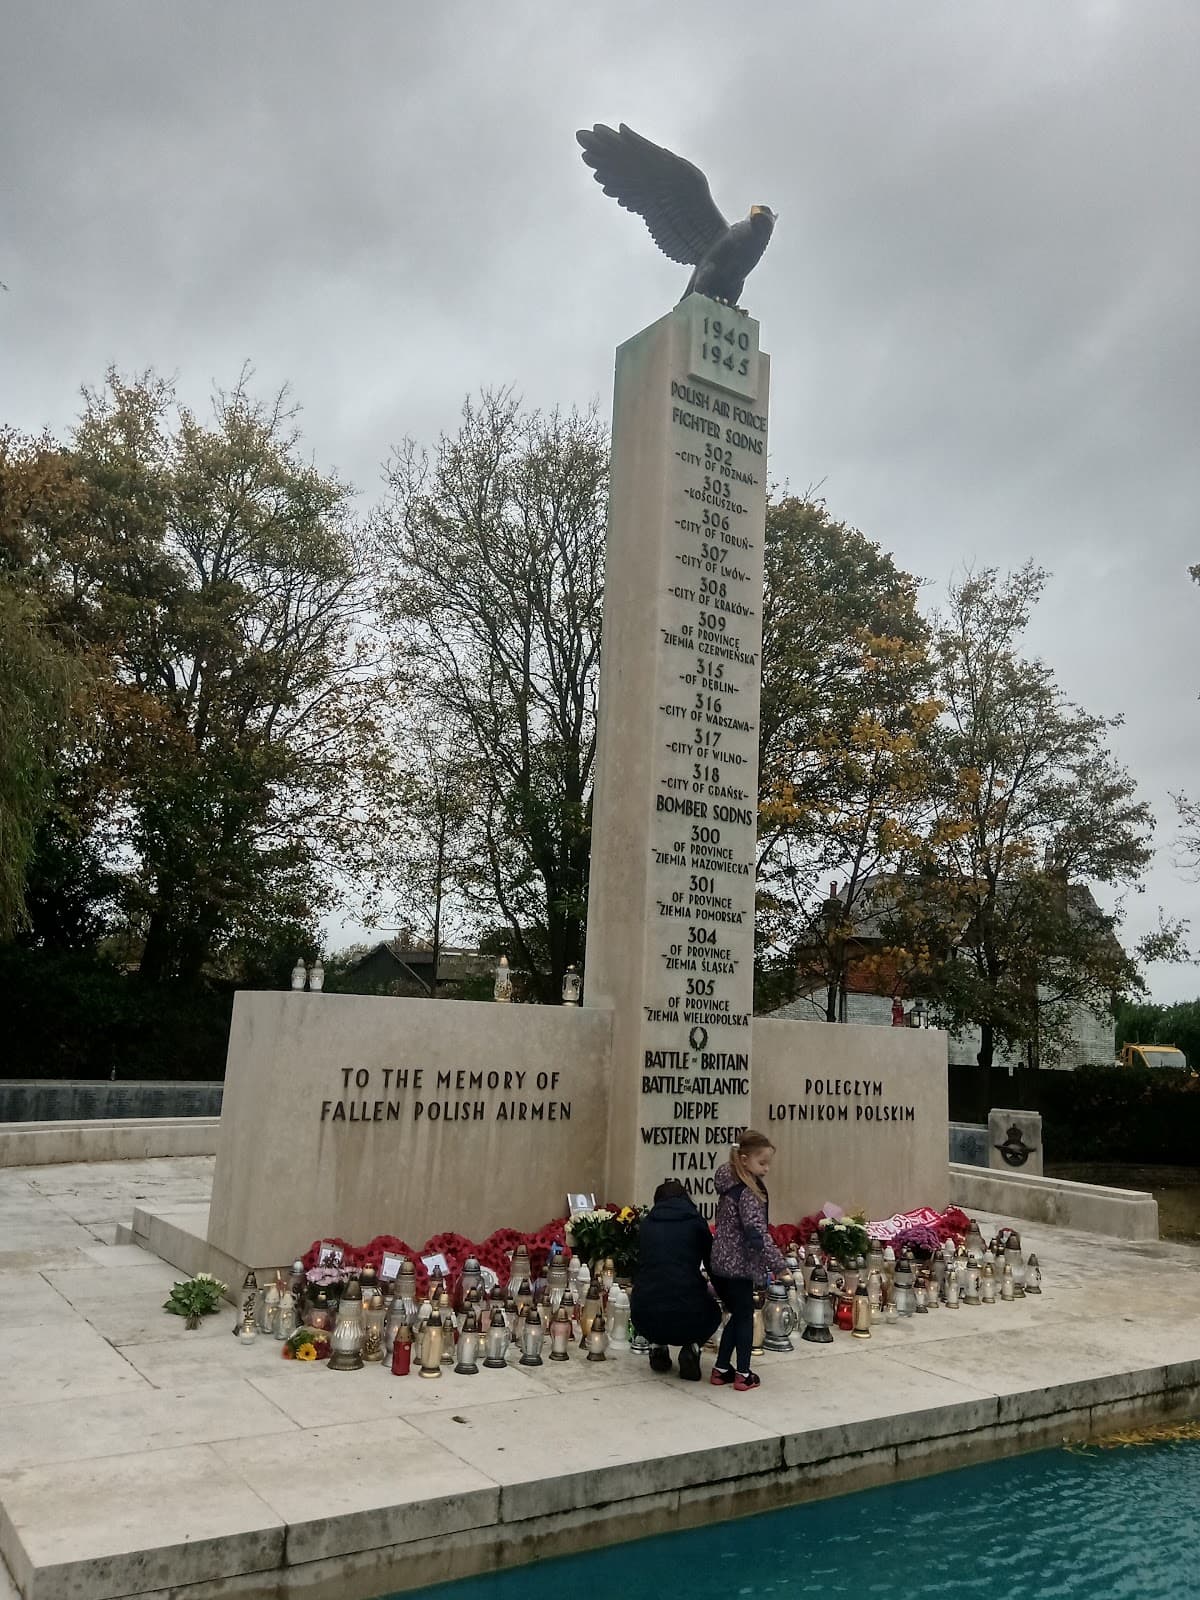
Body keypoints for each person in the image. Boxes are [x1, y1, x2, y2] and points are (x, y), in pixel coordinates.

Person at [710, 1129, 790, 1391]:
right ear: (744, 1160)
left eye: (768, 1163)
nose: (766, 1169)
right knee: (744, 1317)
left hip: (722, 1262)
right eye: (762, 1162)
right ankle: (743, 1373)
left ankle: (722, 1368)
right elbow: (756, 1234)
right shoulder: (747, 1192)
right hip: (739, 1265)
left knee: (738, 1314)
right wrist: (779, 1266)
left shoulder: (730, 1185)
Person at [630, 1179, 721, 1379]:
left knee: (653, 1297)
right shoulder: (696, 1222)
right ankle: (692, 1348)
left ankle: (657, 1347)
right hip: (689, 1313)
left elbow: (642, 1267)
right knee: (714, 1312)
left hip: (645, 1314)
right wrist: (726, 1294)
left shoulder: (647, 1225)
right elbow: (712, 1264)